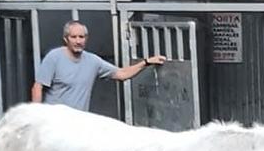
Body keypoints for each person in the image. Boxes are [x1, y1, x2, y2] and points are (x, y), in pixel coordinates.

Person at [31, 21, 166, 111]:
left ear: (86, 39)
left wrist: (146, 62)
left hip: (78, 124)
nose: (78, 41)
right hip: (54, 123)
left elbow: (122, 74)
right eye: (74, 37)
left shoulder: (92, 61)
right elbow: (38, 87)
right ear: (66, 39)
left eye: (81, 37)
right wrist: (36, 118)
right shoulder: (54, 57)